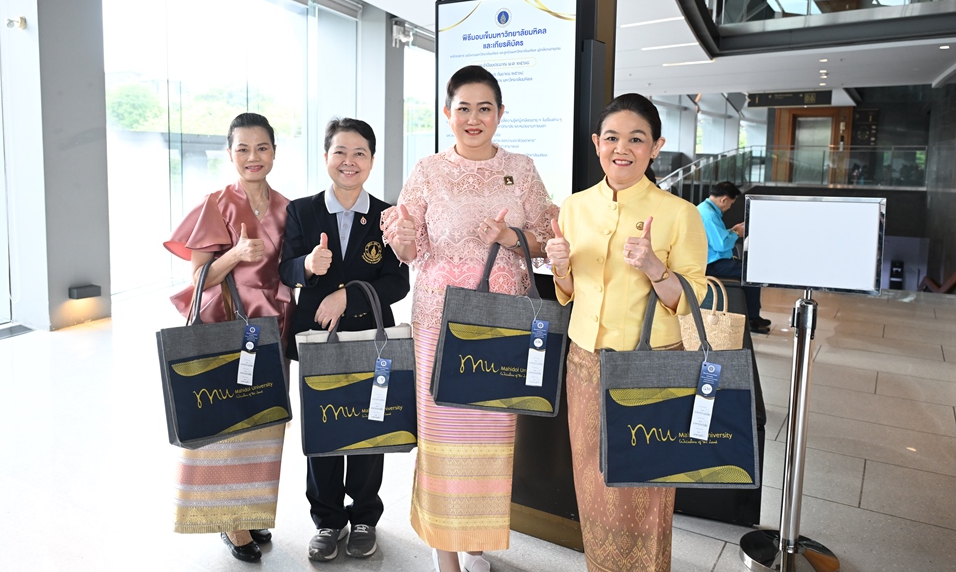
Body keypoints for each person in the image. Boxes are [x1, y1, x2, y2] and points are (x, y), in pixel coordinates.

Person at [381, 65, 557, 572]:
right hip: (440, 320)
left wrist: (511, 238)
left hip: (504, 323)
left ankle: (477, 542)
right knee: (442, 437)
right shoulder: (428, 170)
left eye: (485, 108)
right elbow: (410, 248)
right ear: (447, 113)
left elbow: (547, 242)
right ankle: (447, 555)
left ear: (500, 114)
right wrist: (402, 237)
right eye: (464, 108)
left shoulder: (522, 169)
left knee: (491, 439)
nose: (473, 118)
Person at [545, 94, 708, 572]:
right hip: (584, 362)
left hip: (650, 365)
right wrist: (560, 269)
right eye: (612, 137)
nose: (622, 148)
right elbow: (570, 294)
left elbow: (693, 300)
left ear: (656, 147)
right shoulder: (574, 207)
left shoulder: (680, 213)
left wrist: (656, 268)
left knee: (646, 484)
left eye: (637, 139)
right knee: (592, 479)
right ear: (597, 143)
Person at [163, 112, 295, 563]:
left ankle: (250, 508)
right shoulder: (216, 204)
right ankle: (231, 522)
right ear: (229, 153)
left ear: (274, 152)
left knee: (264, 422)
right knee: (228, 423)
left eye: (262, 148)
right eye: (243, 149)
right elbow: (199, 275)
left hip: (272, 328)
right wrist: (236, 254)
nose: (253, 157)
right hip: (225, 326)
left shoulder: (288, 208)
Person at [279, 118, 410, 562]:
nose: (349, 161)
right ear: (326, 157)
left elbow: (398, 282)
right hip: (318, 339)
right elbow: (285, 269)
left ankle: (365, 517)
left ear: (371, 160)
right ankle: (328, 520)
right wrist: (307, 266)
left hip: (371, 338)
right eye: (340, 152)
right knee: (324, 426)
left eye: (359, 153)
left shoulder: (389, 215)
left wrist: (346, 295)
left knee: (371, 426)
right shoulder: (302, 211)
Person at [696, 181, 771, 334]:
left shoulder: (706, 210)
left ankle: (752, 315)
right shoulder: (709, 215)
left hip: (714, 260)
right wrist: (736, 233)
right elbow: (721, 244)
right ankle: (752, 318)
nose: (730, 207)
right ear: (724, 199)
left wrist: (732, 231)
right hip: (712, 264)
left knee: (749, 269)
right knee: (751, 272)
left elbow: (717, 238)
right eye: (730, 203)